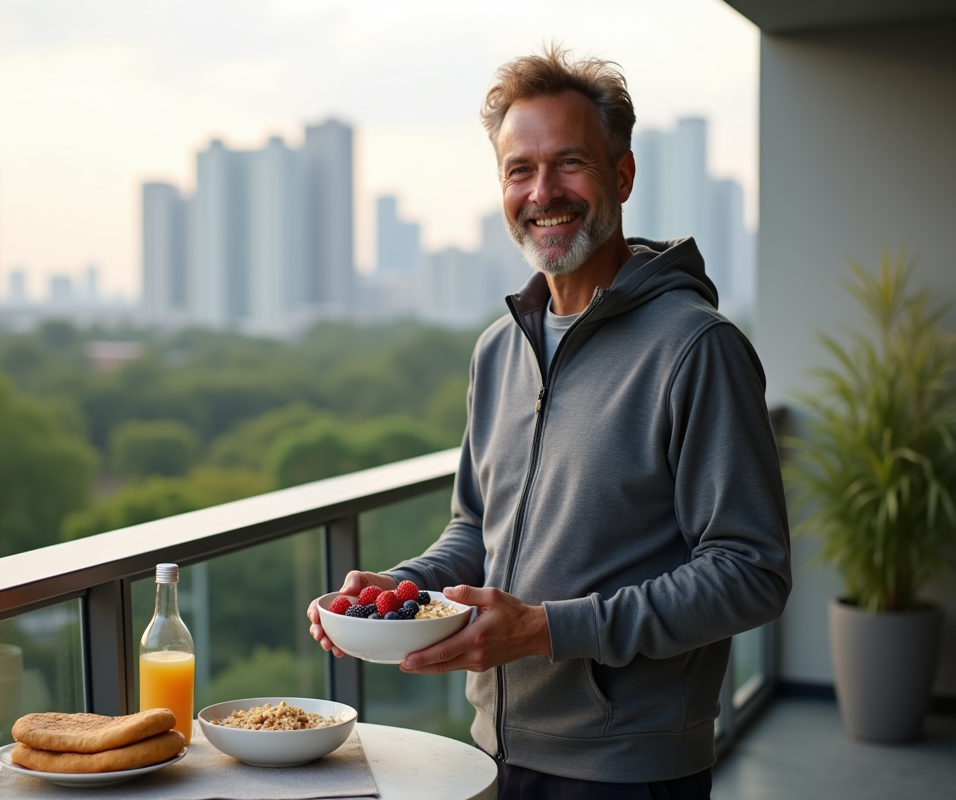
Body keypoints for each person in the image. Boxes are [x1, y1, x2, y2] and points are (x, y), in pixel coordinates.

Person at [308, 46, 791, 799]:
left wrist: (547, 628)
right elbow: (476, 531)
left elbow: (750, 573)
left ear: (621, 176)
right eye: (519, 170)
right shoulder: (499, 349)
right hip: (494, 748)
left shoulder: (699, 348)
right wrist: (392, 595)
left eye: (569, 164)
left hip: (631, 766)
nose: (543, 192)